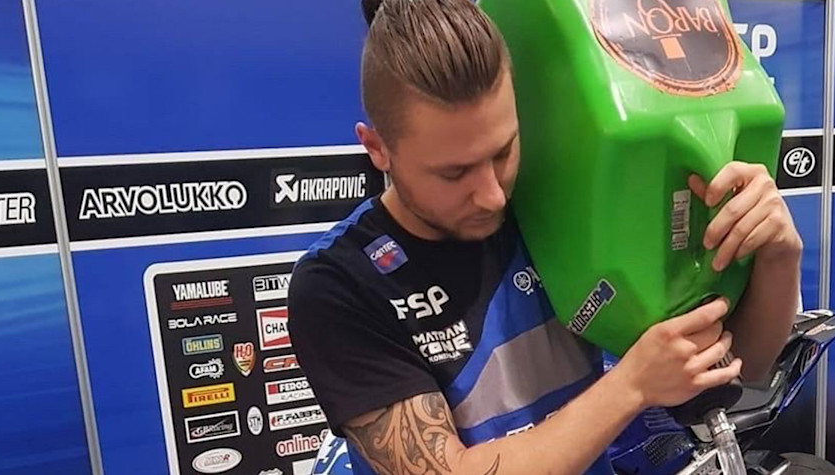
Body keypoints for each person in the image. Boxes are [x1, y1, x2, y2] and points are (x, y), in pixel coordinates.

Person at [286, 1, 804, 474]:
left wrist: (779, 258)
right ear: (377, 149)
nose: (491, 195)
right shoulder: (339, 283)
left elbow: (745, 365)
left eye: (503, 151)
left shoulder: (560, 198)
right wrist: (631, 385)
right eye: (454, 173)